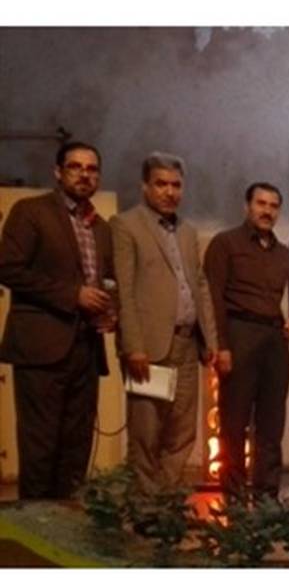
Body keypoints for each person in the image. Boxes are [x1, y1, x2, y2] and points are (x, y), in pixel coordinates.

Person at [0, 141, 115, 499]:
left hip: (86, 349)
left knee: (76, 449)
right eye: (75, 167)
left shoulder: (101, 227)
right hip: (41, 347)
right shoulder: (31, 211)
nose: (84, 175)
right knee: (40, 448)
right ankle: (34, 531)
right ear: (58, 172)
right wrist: (72, 295)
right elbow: (8, 268)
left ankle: (68, 528)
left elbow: (107, 281)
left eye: (92, 169)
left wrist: (110, 311)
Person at [111, 152, 218, 495]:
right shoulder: (126, 225)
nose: (170, 192)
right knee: (147, 433)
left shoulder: (187, 231)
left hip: (186, 345)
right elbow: (124, 290)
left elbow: (199, 285)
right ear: (145, 186)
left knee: (183, 433)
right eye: (161, 184)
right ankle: (145, 507)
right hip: (149, 347)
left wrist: (211, 341)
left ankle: (165, 503)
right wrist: (133, 346)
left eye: (176, 185)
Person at [203, 182, 289, 499]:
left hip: (275, 339)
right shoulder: (225, 243)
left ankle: (267, 497)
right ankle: (234, 498)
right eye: (261, 204)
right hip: (238, 332)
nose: (267, 211)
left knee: (272, 423)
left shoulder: (285, 254)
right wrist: (221, 345)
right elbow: (212, 297)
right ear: (247, 206)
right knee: (234, 422)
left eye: (273, 206)